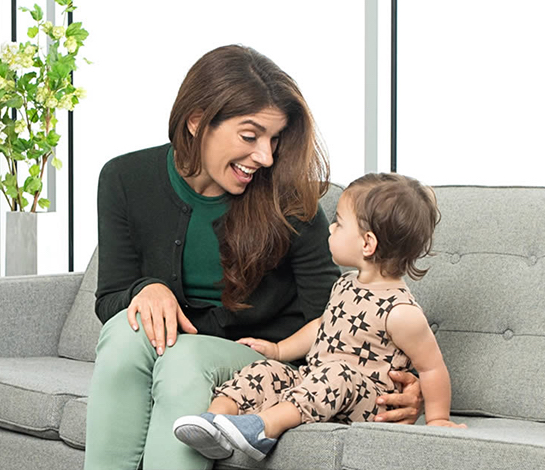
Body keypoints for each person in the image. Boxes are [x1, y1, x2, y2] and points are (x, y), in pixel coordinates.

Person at [84, 45, 423, 470]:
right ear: (197, 121)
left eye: (274, 139)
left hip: (263, 358)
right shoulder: (123, 178)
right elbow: (110, 299)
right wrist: (145, 289)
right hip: (173, 347)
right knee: (123, 333)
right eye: (250, 136)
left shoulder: (290, 203)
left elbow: (336, 315)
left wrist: (398, 384)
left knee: (182, 360)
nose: (265, 157)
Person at [170, 172, 462, 462]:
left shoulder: (400, 312)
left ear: (367, 244)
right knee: (264, 371)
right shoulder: (346, 282)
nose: (331, 229)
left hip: (369, 403)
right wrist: (278, 350)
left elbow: (432, 368)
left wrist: (437, 420)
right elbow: (323, 326)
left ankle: (263, 429)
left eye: (339, 223)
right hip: (318, 382)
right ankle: (214, 423)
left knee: (338, 373)